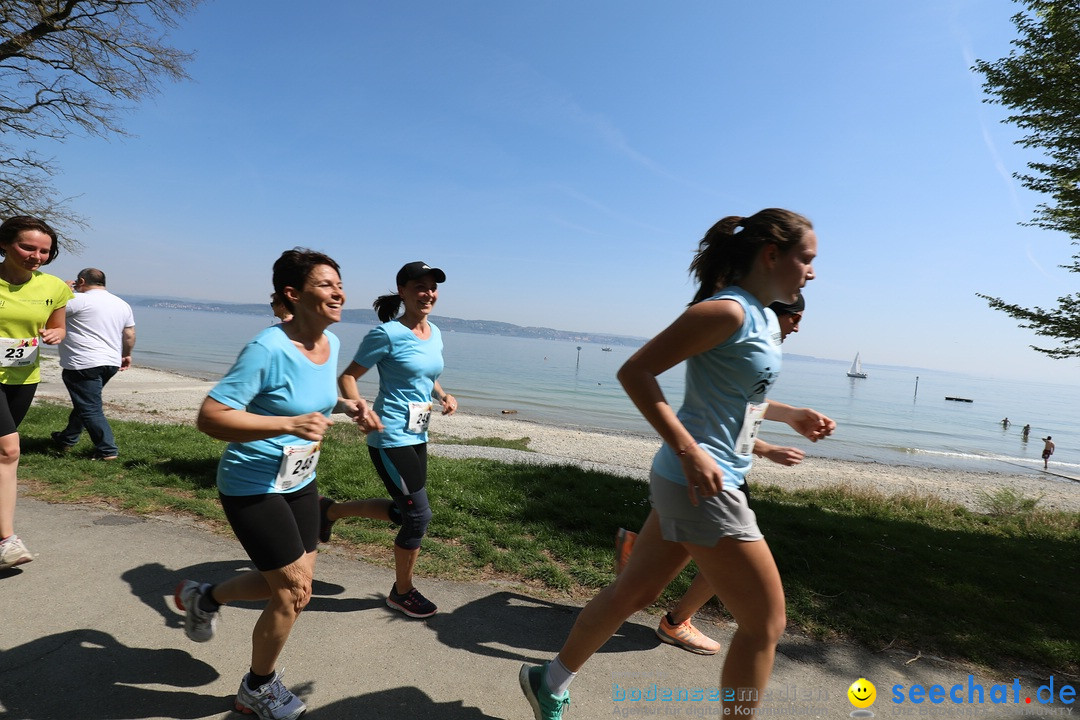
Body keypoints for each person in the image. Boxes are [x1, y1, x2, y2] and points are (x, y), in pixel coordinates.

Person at [518, 209, 835, 719]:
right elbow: (636, 371)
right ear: (772, 255)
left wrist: (789, 415)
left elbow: (734, 396)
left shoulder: (759, 316)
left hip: (690, 481)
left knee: (634, 592)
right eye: (807, 258)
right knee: (765, 624)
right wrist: (691, 450)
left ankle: (547, 680)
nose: (813, 271)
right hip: (701, 485)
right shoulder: (727, 311)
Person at [174, 249, 374, 720]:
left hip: (299, 480)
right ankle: (256, 689)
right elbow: (211, 417)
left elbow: (312, 401)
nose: (339, 292)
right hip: (251, 484)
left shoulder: (331, 344)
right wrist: (286, 425)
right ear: (293, 294)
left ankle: (204, 597)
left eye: (339, 284)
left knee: (289, 587)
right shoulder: (267, 348)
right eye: (326, 284)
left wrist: (350, 408)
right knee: (292, 591)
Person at [613, 293, 807, 656]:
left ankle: (637, 561)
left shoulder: (757, 345)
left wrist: (776, 437)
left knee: (674, 561)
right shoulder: (747, 331)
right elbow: (733, 412)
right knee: (716, 557)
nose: (797, 326)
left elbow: (741, 413)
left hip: (716, 467)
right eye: (794, 317)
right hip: (709, 468)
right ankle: (675, 621)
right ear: (775, 314)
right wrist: (769, 444)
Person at [323, 261, 457, 619]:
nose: (427, 293)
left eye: (432, 287)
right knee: (418, 516)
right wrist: (362, 408)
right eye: (419, 287)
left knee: (403, 510)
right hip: (390, 436)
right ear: (402, 291)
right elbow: (348, 377)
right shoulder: (385, 335)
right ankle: (402, 591)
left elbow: (425, 374)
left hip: (418, 433)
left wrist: (443, 394)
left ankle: (330, 511)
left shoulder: (435, 332)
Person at [0, 216, 73, 571]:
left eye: (44, 251)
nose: (36, 256)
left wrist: (56, 335)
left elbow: (58, 325)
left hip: (23, 375)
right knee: (9, 449)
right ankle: (7, 540)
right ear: (5, 243)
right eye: (27, 247)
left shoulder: (55, 287)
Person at [50, 268, 136, 461]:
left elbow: (50, 310)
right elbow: (129, 334)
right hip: (110, 362)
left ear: (81, 281)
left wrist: (63, 291)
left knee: (89, 407)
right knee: (86, 402)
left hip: (83, 362)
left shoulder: (77, 300)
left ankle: (107, 450)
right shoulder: (122, 304)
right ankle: (67, 439)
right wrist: (126, 354)